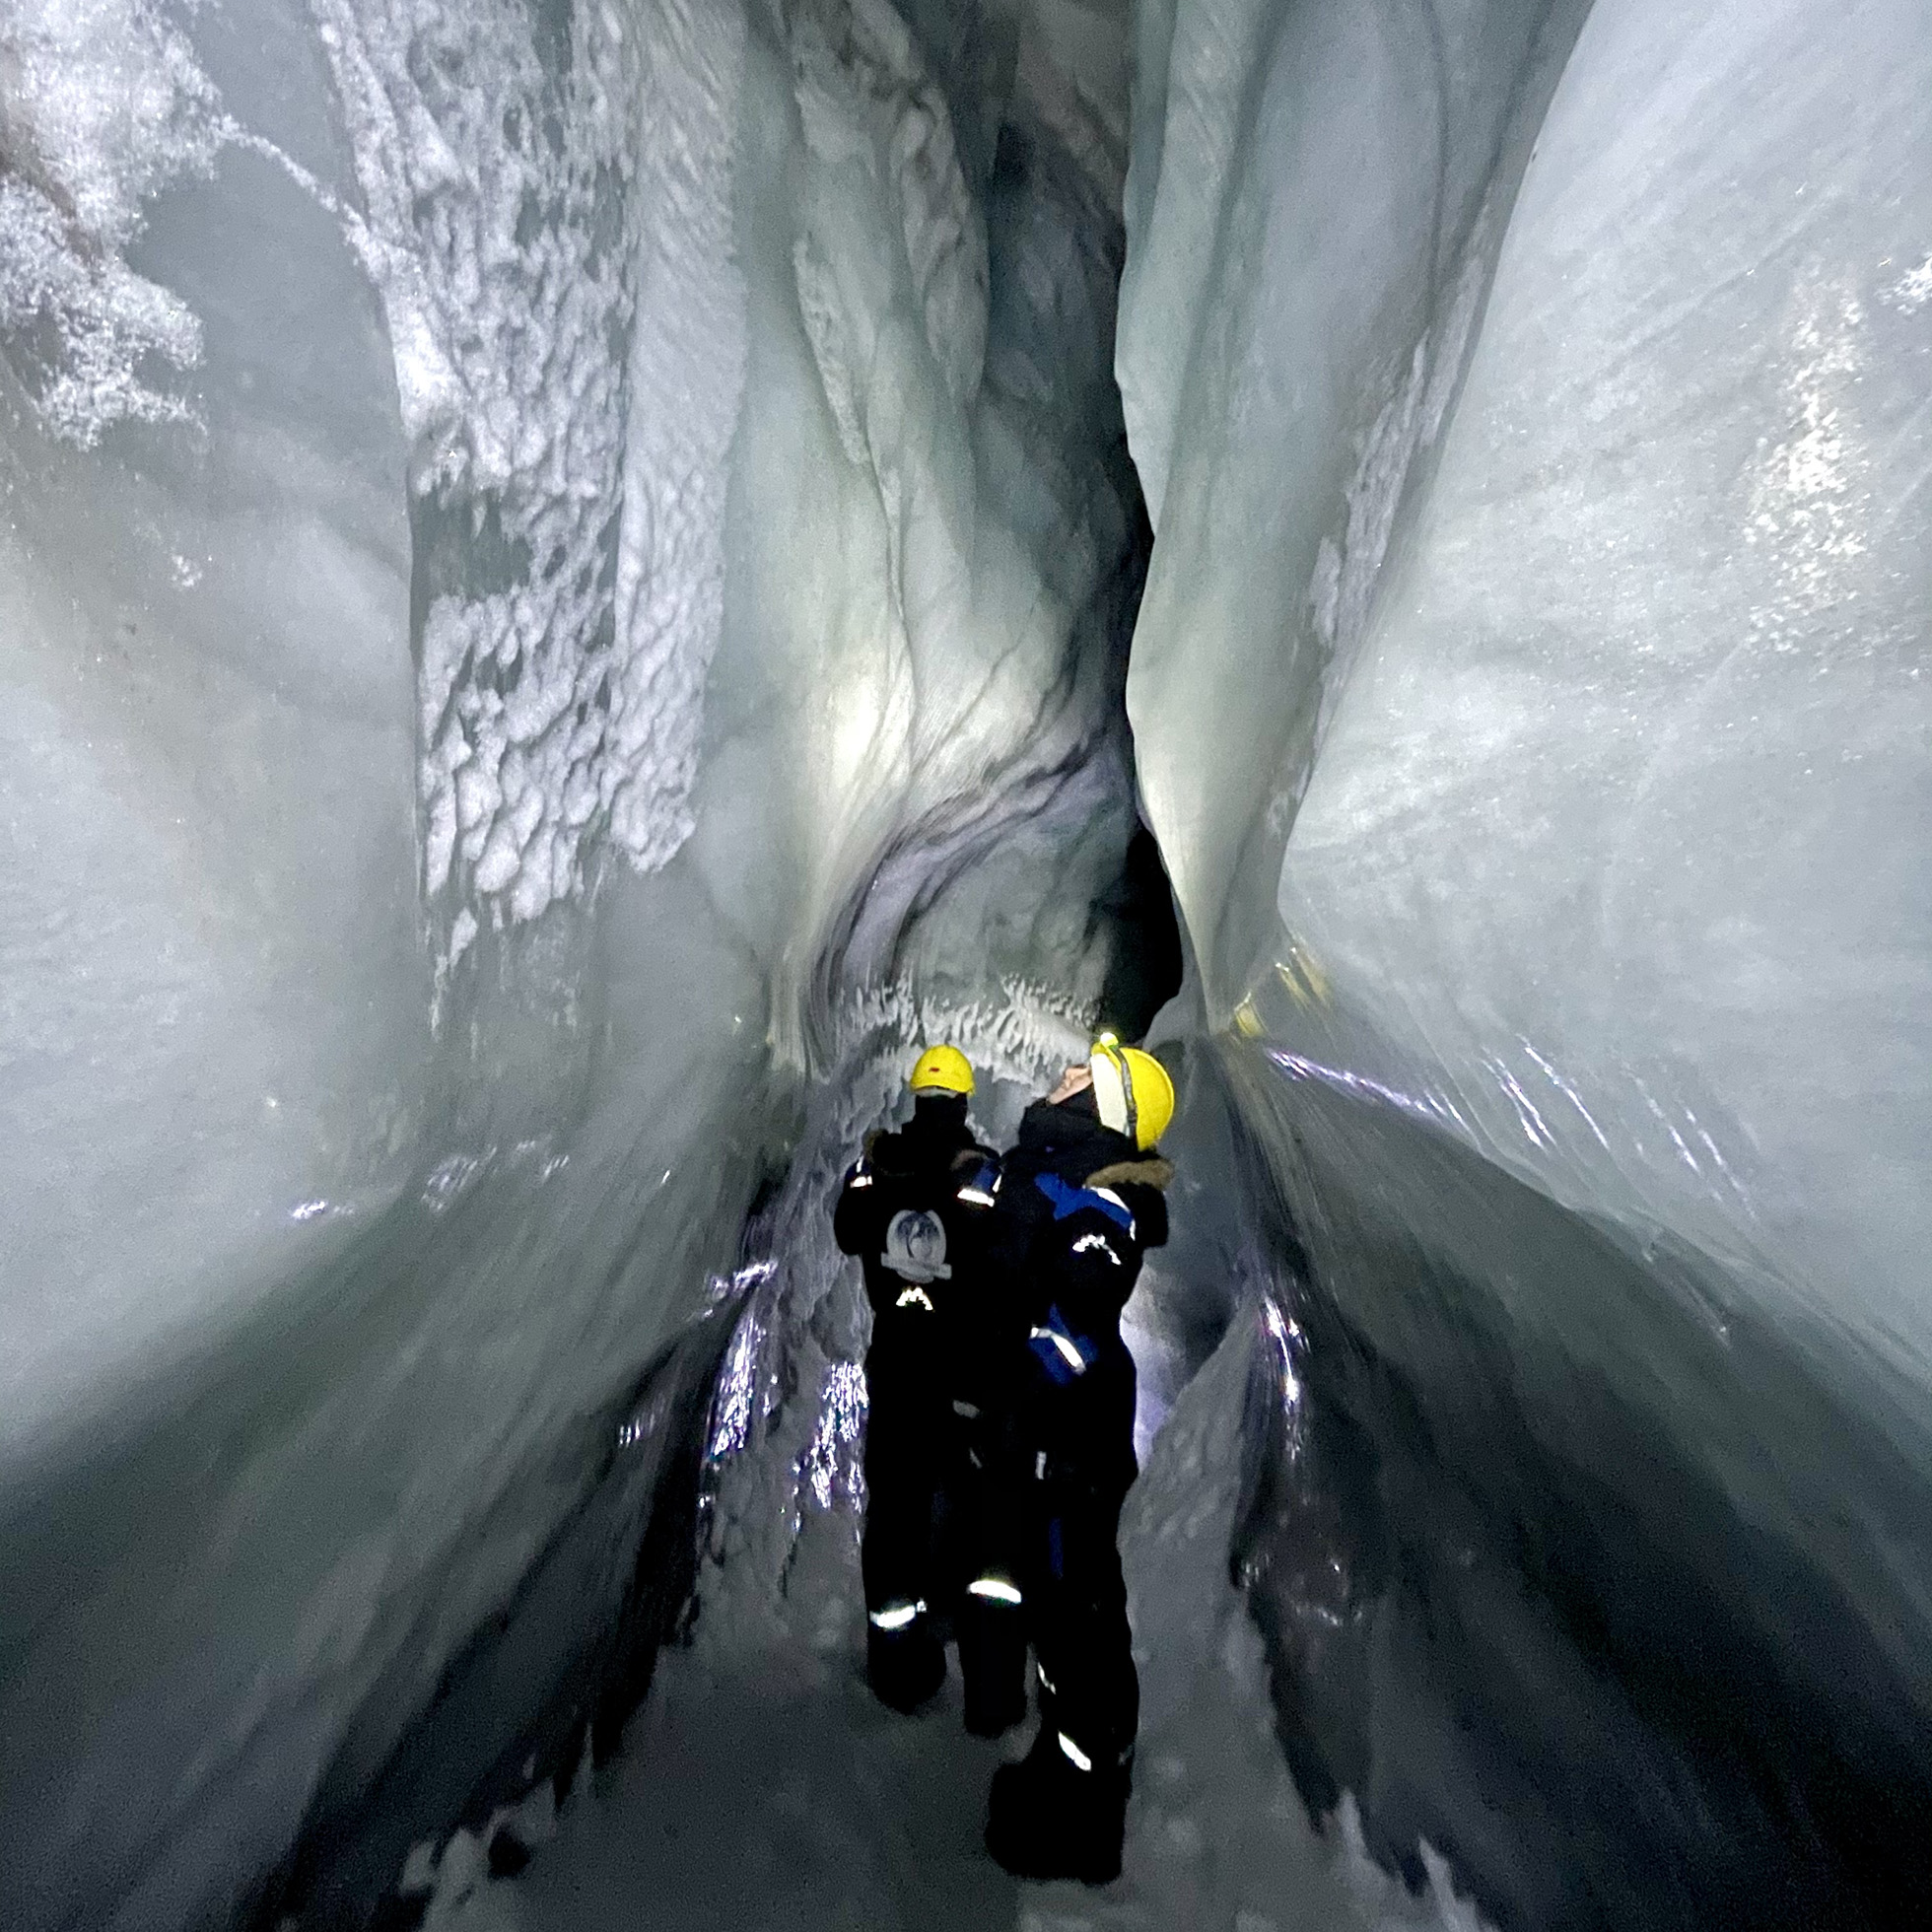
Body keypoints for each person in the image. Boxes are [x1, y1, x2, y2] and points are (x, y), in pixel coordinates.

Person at [982, 1032, 1176, 1886]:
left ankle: (1085, 1813)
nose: (1062, 1076)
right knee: (1064, 1609)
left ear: (1106, 1112)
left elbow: (1082, 1316)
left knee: (1079, 1616)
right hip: (1053, 1443)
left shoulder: (1101, 1206)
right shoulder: (1059, 1178)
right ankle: (1071, 1771)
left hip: (1071, 1451)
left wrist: (1024, 1383)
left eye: (1082, 1077)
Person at [832, 1044, 1016, 1725]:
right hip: (960, 1366)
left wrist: (870, 1175)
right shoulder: (984, 1174)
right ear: (964, 1102)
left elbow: (848, 1232)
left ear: (916, 1097)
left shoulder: (877, 1166)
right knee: (966, 1507)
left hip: (896, 1361)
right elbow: (1007, 1260)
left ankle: (896, 1669)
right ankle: (970, 1654)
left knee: (895, 1508)